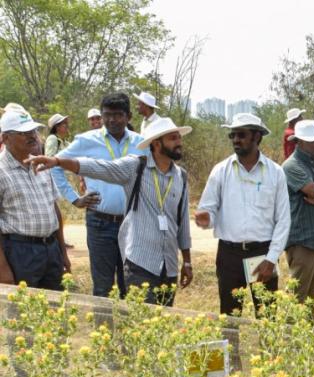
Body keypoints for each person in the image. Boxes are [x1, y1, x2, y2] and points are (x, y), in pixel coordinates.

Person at [31, 118, 194, 306]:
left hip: (170, 267)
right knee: (140, 321)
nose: (179, 142)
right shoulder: (136, 166)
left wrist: (187, 262)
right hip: (141, 264)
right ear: (157, 143)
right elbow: (100, 167)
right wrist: (58, 161)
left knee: (163, 324)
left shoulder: (180, 176)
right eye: (173, 138)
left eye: (179, 138)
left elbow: (182, 221)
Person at [52, 92, 146, 298]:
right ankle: (103, 331)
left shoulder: (142, 144)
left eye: (118, 115)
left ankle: (127, 331)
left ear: (129, 116)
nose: (112, 120)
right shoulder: (87, 141)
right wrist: (74, 198)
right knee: (103, 287)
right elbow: (55, 165)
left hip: (132, 224)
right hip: (100, 223)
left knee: (130, 286)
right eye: (107, 115)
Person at [195, 113, 290, 316]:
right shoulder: (220, 171)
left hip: (262, 254)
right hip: (229, 255)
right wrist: (205, 219)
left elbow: (283, 220)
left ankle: (268, 350)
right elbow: (208, 211)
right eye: (233, 135)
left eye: (241, 135)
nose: (236, 140)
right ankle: (233, 349)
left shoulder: (275, 172)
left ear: (257, 137)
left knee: (268, 317)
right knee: (229, 317)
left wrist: (271, 259)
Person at [0, 110, 70, 290]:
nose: (31, 136)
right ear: (6, 139)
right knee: (23, 311)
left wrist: (62, 252)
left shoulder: (40, 163)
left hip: (51, 249)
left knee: (55, 308)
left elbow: (53, 209)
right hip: (19, 252)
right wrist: (3, 269)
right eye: (23, 133)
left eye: (32, 131)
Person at [282, 119, 314, 303]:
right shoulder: (292, 166)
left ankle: (312, 333)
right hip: (302, 241)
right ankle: (287, 333)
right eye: (313, 140)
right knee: (297, 298)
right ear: (300, 142)